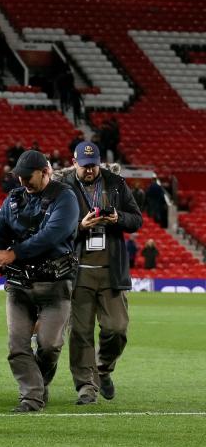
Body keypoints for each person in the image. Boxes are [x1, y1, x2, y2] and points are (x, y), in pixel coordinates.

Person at [0, 149, 79, 413]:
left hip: (55, 284)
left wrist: (15, 253)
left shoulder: (65, 198)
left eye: (28, 176)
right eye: (19, 176)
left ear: (45, 172)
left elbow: (53, 235)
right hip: (19, 285)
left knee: (49, 345)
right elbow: (0, 235)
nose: (22, 181)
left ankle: (37, 384)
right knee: (17, 346)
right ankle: (32, 397)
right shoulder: (13, 200)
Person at [60, 141, 142, 405]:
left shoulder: (116, 183)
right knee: (80, 333)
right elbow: (54, 227)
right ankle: (86, 387)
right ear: (74, 163)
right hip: (78, 271)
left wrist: (119, 218)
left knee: (117, 329)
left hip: (111, 272)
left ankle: (103, 367)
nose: (89, 170)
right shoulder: (63, 187)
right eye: (84, 166)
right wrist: (80, 227)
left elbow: (136, 220)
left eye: (93, 165)